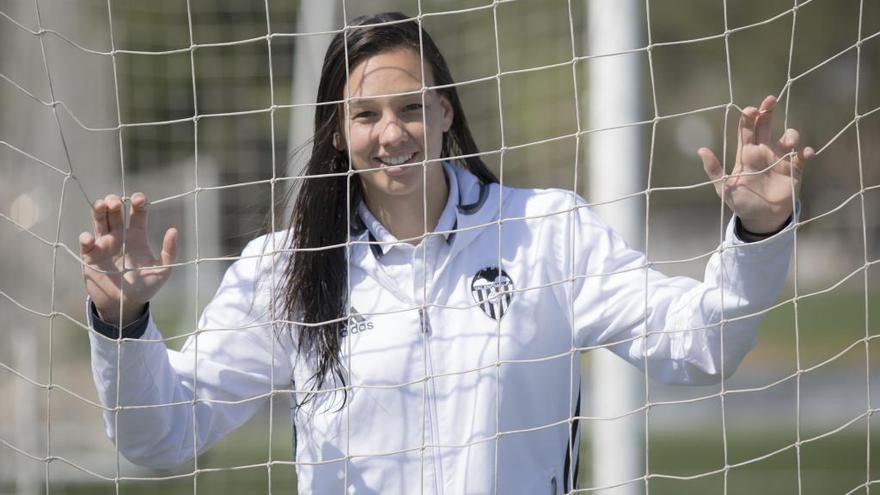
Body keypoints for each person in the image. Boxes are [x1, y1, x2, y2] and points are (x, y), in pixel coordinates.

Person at [80, 11, 815, 494]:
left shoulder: (548, 231)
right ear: (338, 132)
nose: (390, 132)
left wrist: (757, 234)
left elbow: (699, 345)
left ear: (444, 110)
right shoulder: (287, 265)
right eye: (365, 114)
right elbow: (164, 435)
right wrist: (124, 324)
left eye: (409, 107)